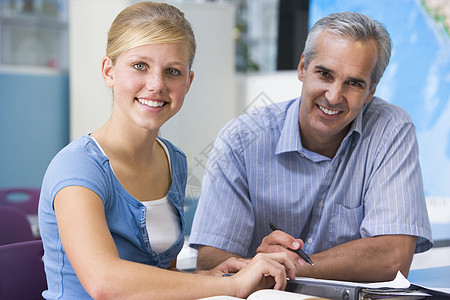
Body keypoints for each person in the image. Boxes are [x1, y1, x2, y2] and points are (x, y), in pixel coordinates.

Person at [38, 2, 296, 299]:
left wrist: (209, 276)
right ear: (109, 71)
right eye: (140, 66)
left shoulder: (173, 160)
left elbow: (159, 277)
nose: (156, 84)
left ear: (188, 82)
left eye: (173, 71)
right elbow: (104, 282)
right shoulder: (78, 167)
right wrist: (230, 285)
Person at [189, 11, 433, 282]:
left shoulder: (390, 130)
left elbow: (393, 259)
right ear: (303, 67)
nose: (333, 96)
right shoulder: (241, 141)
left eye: (354, 83)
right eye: (325, 74)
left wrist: (288, 264)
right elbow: (211, 265)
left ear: (371, 90)